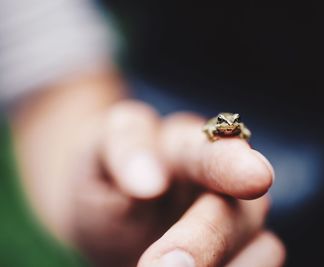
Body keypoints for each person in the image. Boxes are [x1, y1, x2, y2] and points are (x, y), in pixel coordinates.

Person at [0, 1, 285, 266]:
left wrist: (104, 165)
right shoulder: (215, 127)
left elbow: (49, 81)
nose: (229, 124)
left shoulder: (234, 128)